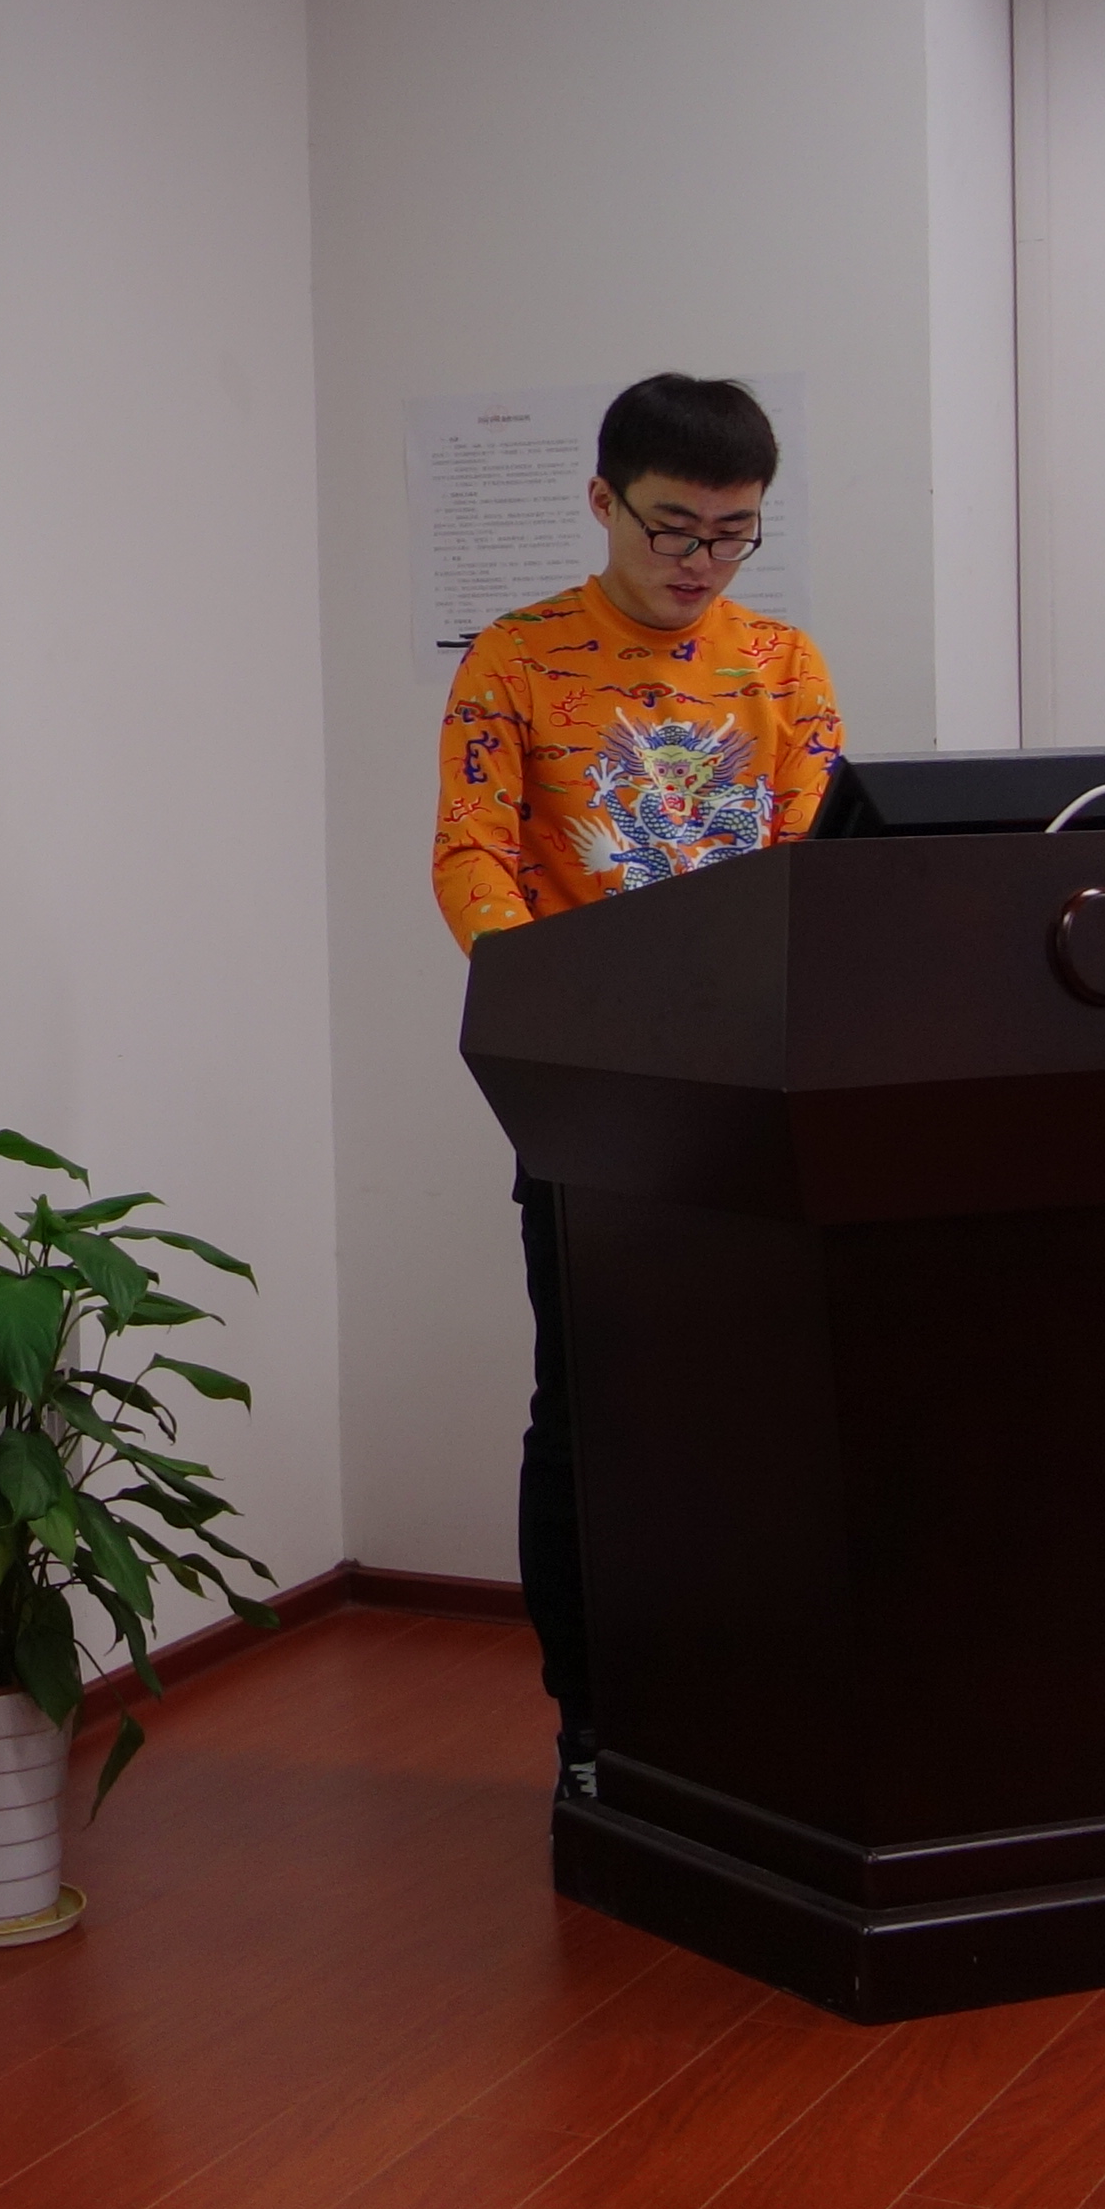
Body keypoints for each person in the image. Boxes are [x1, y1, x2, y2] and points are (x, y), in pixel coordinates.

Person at [431, 374, 843, 1796]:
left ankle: (750, 1714)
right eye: (674, 527)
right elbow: (470, 854)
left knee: (757, 1415)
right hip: (592, 1096)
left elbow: (816, 859)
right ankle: (594, 1726)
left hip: (754, 1094)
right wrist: (552, 998)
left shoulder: (782, 664)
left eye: (732, 534)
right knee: (591, 1415)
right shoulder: (515, 658)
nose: (698, 562)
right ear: (603, 499)